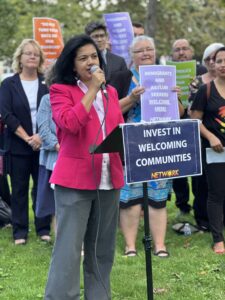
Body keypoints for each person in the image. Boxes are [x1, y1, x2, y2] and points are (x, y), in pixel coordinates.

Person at [44, 34, 124, 300]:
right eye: (83, 58)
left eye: (93, 56)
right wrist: (91, 90)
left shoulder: (110, 92)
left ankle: (99, 296)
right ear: (72, 65)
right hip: (74, 181)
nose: (90, 62)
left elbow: (116, 129)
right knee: (68, 249)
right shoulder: (60, 91)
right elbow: (69, 124)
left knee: (102, 248)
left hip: (108, 178)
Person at [118, 35, 184, 258]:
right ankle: (130, 246)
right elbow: (111, 110)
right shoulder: (123, 77)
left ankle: (160, 245)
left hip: (160, 143)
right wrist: (132, 98)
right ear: (132, 56)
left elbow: (181, 114)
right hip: (133, 142)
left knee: (158, 194)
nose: (146, 53)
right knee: (131, 195)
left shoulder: (165, 75)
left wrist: (175, 97)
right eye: (140, 51)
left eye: (150, 49)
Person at [0, 39, 51, 245]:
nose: (32, 57)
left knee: (41, 188)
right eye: (28, 53)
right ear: (19, 58)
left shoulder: (46, 82)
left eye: (36, 54)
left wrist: (40, 136)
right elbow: (6, 114)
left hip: (42, 144)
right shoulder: (8, 84)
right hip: (18, 145)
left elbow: (51, 111)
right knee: (19, 188)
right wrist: (27, 137)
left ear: (40, 59)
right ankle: (20, 231)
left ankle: (43, 228)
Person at [190, 47, 225, 254]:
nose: (223, 65)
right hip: (215, 151)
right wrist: (211, 136)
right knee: (216, 194)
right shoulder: (206, 90)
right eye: (219, 61)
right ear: (213, 64)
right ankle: (217, 238)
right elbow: (194, 119)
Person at [171, 38, 207, 216]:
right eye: (177, 50)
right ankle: (182, 205)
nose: (181, 52)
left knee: (198, 168)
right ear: (172, 54)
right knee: (178, 169)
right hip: (175, 123)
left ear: (192, 52)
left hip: (197, 124)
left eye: (185, 49)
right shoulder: (167, 72)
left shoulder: (203, 71)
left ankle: (200, 205)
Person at [36, 64, 59, 235]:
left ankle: (79, 243)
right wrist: (59, 145)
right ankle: (62, 245)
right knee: (56, 206)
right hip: (53, 161)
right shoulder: (46, 100)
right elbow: (43, 129)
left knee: (74, 204)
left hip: (76, 159)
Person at [85, 21, 131, 99]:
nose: (99, 39)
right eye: (95, 36)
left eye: (102, 36)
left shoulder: (119, 61)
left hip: (116, 104)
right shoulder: (83, 62)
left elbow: (125, 87)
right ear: (88, 38)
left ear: (107, 37)